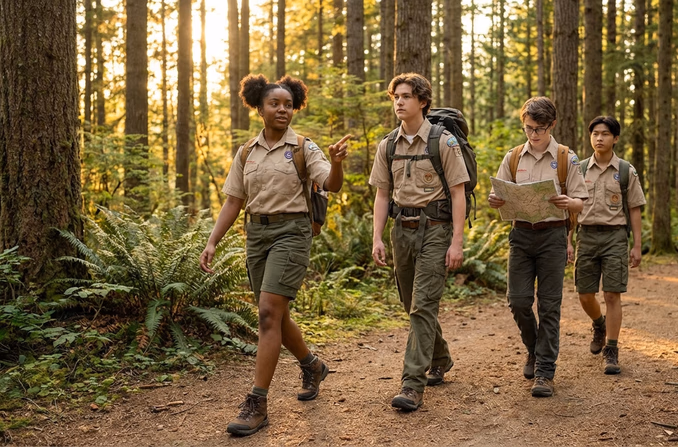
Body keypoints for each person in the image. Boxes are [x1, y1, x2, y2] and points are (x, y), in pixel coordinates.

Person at [199, 74, 351, 436]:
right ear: (259, 107)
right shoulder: (246, 152)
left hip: (292, 233)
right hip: (257, 234)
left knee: (267, 313)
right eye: (274, 103)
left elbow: (330, 184)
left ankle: (257, 403)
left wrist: (337, 161)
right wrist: (212, 241)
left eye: (288, 104)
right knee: (276, 317)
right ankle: (312, 365)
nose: (283, 109)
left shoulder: (303, 147)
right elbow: (234, 201)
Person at [370, 73, 469, 411]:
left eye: (407, 96)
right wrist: (377, 238)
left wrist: (457, 241)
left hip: (436, 229)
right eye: (395, 96)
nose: (399, 102)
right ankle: (440, 356)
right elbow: (383, 195)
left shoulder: (443, 142)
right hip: (402, 230)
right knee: (410, 300)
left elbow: (458, 194)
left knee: (422, 304)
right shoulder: (387, 145)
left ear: (423, 101)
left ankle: (412, 384)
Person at [488, 97, 588, 398]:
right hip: (520, 235)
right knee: (518, 300)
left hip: (553, 236)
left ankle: (545, 371)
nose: (533, 134)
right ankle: (533, 348)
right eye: (528, 128)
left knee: (549, 305)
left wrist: (568, 203)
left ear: (552, 125)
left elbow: (581, 201)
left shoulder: (566, 158)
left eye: (539, 129)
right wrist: (496, 200)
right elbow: (500, 192)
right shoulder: (514, 156)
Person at [569, 116, 645, 375]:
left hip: (615, 236)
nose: (599, 138)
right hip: (586, 236)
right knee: (584, 293)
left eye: (605, 134)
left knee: (612, 294)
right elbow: (570, 211)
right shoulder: (578, 170)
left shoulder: (625, 171)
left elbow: (634, 208)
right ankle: (598, 324)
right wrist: (567, 241)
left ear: (615, 138)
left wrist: (637, 245)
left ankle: (611, 350)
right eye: (595, 134)